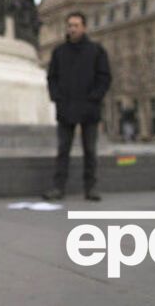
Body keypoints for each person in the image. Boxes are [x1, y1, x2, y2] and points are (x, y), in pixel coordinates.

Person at [43, 12, 112, 202]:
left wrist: (94, 98)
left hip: (89, 109)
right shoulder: (59, 52)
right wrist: (57, 98)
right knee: (63, 149)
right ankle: (58, 188)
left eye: (76, 25)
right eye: (69, 25)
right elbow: (52, 78)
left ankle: (91, 188)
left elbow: (104, 77)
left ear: (84, 27)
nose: (72, 29)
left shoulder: (96, 51)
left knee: (90, 150)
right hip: (66, 108)